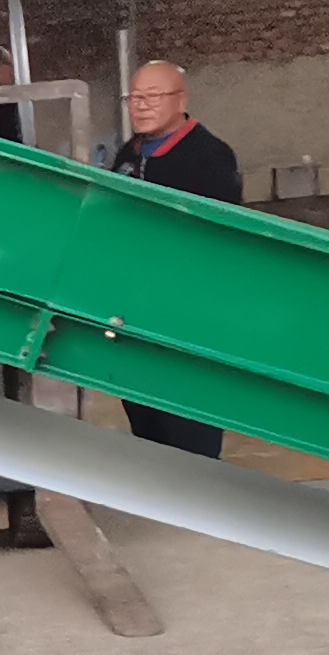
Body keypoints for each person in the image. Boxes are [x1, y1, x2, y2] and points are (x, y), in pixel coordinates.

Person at [103, 58, 242, 458]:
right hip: (136, 311)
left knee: (189, 419)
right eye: (134, 97)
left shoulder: (209, 157)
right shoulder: (129, 154)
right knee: (146, 419)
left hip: (187, 315)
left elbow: (219, 240)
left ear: (180, 100)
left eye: (153, 96)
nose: (141, 105)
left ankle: (198, 487)